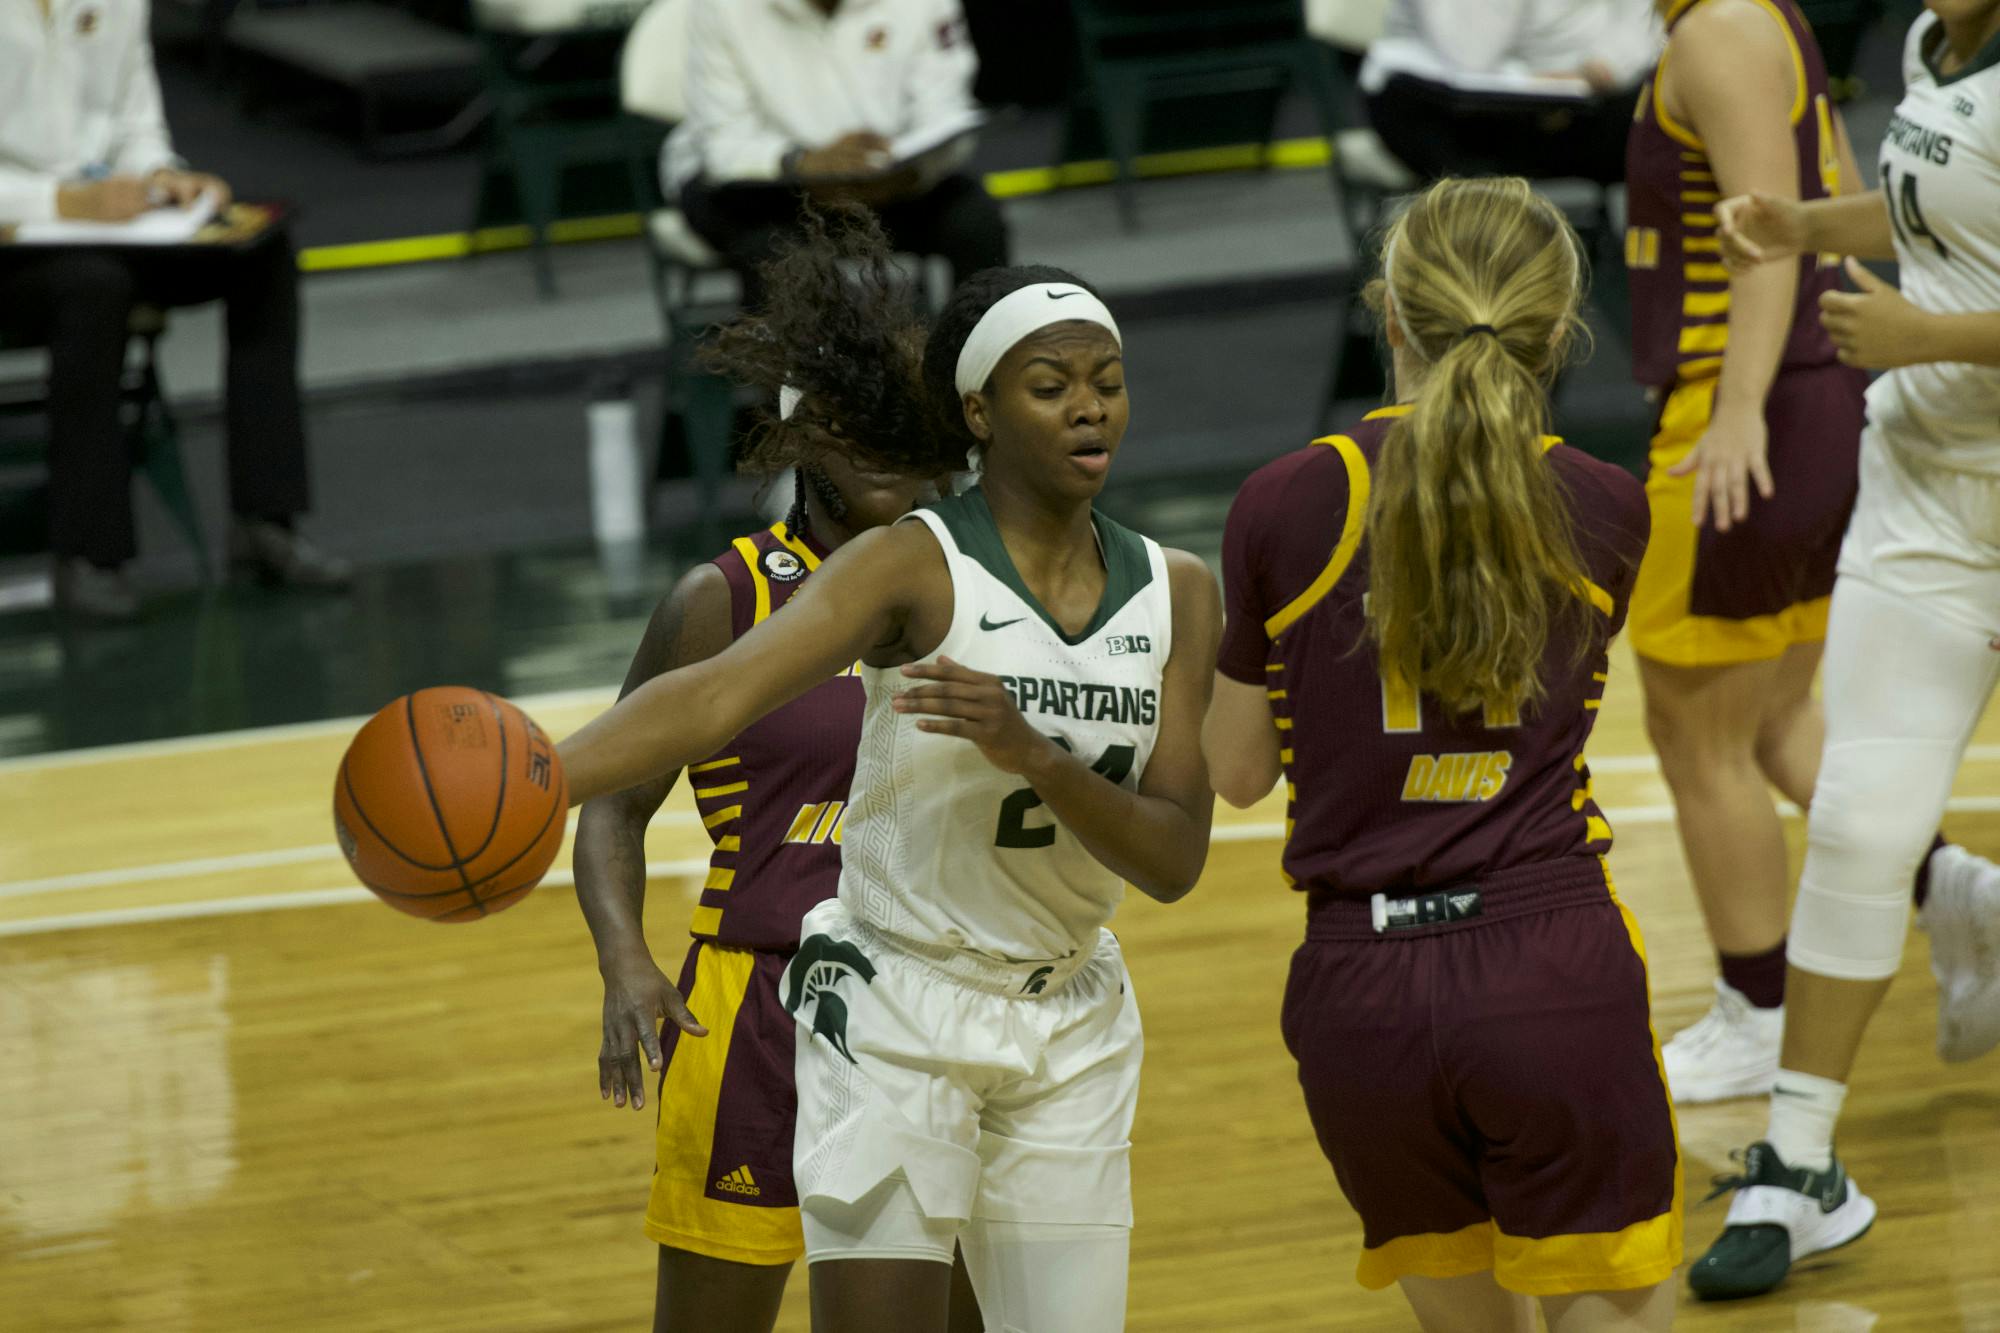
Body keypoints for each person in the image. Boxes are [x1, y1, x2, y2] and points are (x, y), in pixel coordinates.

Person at [556, 264, 1220, 1331]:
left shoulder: (1165, 587)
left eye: (1107, 379)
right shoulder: (856, 576)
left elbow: (1179, 857)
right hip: (842, 992)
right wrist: (539, 781)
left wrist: (1038, 756)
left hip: (1054, 1004)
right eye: (1051, 383)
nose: (1088, 403)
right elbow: (694, 714)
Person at [1204, 176, 1677, 1332]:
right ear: (1558, 330)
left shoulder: (1281, 500)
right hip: (1546, 959)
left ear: (1390, 316)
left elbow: (1233, 771)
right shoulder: (1605, 504)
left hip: (1357, 994)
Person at [573, 210, 980, 1332]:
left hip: (936, 996)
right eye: (869, 440)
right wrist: (624, 962)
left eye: (916, 443)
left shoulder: (968, 586)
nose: (899, 467)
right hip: (756, 1007)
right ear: (804, 445)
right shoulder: (723, 601)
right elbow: (610, 802)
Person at [1689, 0, 2000, 1299]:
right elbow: (1942, 216)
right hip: (1927, 494)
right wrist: (1810, 230)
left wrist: (1928, 337)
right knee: (1867, 826)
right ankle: (1799, 1163)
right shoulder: (1938, 41)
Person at [1624, 0, 1884, 1105]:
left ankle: (1755, 1014)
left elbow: (1767, 237)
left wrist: (1735, 414)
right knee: (1775, 721)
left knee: (1695, 736)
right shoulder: (1742, 15)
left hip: (1751, 412)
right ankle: (1955, 892)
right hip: (1806, 402)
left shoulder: (1717, 28)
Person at [0, 0, 349, 620]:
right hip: (16, 240)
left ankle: (265, 521)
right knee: (93, 288)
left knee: (260, 254)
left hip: (104, 222)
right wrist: (62, 201)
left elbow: (133, 121)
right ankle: (88, 555)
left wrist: (162, 176)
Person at [664, 0, 1009, 313]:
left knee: (977, 220)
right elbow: (724, 145)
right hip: (767, 187)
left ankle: (973, 369)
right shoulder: (721, 7)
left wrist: (912, 173)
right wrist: (803, 166)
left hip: (891, 179)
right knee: (776, 254)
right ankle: (791, 381)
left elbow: (948, 114)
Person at [1360, 0, 1661, 185]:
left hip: (1587, 93)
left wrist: (1599, 69)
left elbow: (1647, 18)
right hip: (1463, 105)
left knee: (1656, 113)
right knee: (1418, 115)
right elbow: (1471, 51)